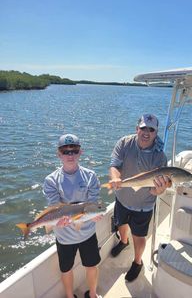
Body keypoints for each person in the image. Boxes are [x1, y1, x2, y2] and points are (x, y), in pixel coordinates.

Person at [109, 114, 171, 282]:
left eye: (151, 130)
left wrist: (159, 191)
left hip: (144, 205)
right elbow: (114, 164)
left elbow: (155, 191)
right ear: (137, 129)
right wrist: (115, 177)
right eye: (143, 128)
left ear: (156, 133)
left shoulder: (160, 157)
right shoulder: (124, 143)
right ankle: (123, 241)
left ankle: (137, 262)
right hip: (122, 197)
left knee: (139, 236)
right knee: (120, 223)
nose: (146, 132)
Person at [43, 134, 102, 298]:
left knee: (92, 265)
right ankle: (70, 296)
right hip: (64, 238)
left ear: (80, 152)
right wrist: (56, 222)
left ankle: (93, 294)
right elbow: (54, 207)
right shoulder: (51, 180)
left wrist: (94, 214)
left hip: (88, 234)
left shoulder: (90, 176)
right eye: (65, 151)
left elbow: (93, 204)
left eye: (74, 150)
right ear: (58, 154)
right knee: (66, 269)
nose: (70, 155)